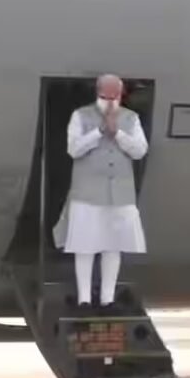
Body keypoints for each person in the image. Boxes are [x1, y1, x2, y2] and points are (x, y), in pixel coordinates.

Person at [53, 74, 149, 312]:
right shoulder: (81, 116)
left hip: (120, 193)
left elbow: (139, 151)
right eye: (105, 96)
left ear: (121, 94)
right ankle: (84, 298)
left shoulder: (131, 118)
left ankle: (108, 298)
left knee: (112, 246)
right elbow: (74, 149)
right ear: (98, 93)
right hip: (87, 192)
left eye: (114, 96)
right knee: (85, 246)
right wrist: (98, 132)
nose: (110, 101)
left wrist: (117, 133)